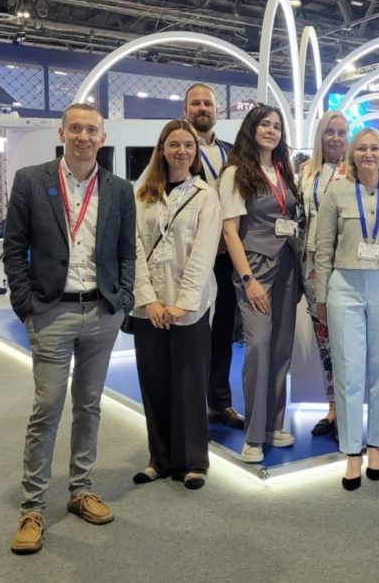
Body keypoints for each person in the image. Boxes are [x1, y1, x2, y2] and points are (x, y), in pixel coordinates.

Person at [4, 103, 136, 555]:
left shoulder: (120, 190)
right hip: (51, 313)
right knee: (46, 408)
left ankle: (81, 490)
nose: (83, 136)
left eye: (92, 130)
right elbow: (14, 248)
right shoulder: (31, 180)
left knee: (90, 406)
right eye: (75, 128)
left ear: (103, 137)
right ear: (62, 133)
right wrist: (26, 307)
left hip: (102, 313)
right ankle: (33, 507)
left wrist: (124, 301)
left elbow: (126, 253)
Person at [314, 127, 379, 490]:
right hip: (344, 286)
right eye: (361, 148)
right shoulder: (336, 192)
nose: (368, 154)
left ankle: (376, 445)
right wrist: (321, 299)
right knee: (348, 373)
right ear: (352, 155)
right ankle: (351, 452)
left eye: (375, 148)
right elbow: (323, 249)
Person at [131, 119, 221, 490]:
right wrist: (149, 300)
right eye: (174, 145)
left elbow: (203, 254)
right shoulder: (142, 194)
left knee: (188, 381)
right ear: (162, 149)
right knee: (153, 381)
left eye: (188, 145)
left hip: (191, 306)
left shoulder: (205, 196)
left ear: (195, 152)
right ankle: (160, 457)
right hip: (148, 305)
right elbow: (133, 248)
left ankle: (193, 460)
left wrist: (183, 304)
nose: (181, 151)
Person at [219, 105, 302, 464]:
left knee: (282, 347)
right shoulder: (236, 172)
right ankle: (253, 435)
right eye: (264, 124)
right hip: (255, 268)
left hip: (287, 266)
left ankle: (273, 423)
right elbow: (229, 232)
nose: (271, 130)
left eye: (277, 126)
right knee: (258, 346)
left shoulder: (283, 169)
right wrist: (248, 279)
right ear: (250, 129)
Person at [183, 83, 245, 430]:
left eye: (208, 103)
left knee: (222, 330)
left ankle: (219, 402)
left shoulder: (232, 153)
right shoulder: (176, 148)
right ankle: (189, 407)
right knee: (190, 333)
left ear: (217, 110)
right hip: (191, 255)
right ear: (185, 109)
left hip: (225, 257)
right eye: (196, 103)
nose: (202, 108)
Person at [298, 111, 349, 438]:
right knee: (324, 339)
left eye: (342, 133)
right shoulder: (304, 171)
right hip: (311, 263)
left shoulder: (355, 170)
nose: (335, 138)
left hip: (344, 261)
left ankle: (349, 407)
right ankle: (332, 408)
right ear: (320, 135)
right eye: (330, 132)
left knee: (346, 338)